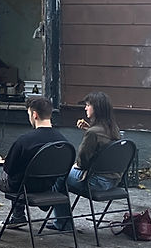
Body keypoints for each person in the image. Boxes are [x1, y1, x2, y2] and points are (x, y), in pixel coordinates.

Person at [48, 91, 122, 231]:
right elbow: (104, 148)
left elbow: (82, 161)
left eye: (88, 105)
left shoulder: (93, 133)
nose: (85, 108)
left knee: (59, 174)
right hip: (113, 179)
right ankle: (62, 221)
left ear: (97, 109)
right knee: (63, 176)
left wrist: (76, 165)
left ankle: (62, 221)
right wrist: (89, 129)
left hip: (96, 182)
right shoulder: (113, 129)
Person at [0, 96, 69, 226]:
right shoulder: (63, 141)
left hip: (22, 187)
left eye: (29, 114)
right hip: (48, 186)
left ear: (34, 114)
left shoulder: (25, 141)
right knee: (22, 171)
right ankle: (18, 216)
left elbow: (9, 169)